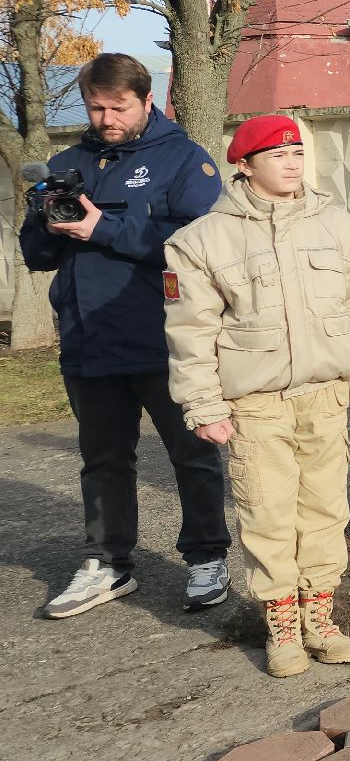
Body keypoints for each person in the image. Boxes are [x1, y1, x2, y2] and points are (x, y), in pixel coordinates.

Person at [164, 116, 350, 677]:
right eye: (276, 153)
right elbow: (190, 331)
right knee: (266, 511)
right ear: (245, 164)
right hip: (256, 404)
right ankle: (281, 623)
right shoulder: (200, 242)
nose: (291, 162)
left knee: (325, 510)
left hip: (325, 396)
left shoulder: (340, 228)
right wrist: (204, 404)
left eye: (296, 152)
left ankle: (321, 615)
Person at [21, 53, 232, 619]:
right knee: (103, 458)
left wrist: (101, 227)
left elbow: (199, 245)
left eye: (118, 107)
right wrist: (45, 219)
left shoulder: (184, 161)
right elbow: (35, 256)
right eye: (96, 107)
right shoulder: (67, 162)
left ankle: (207, 557)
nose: (106, 118)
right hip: (88, 338)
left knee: (193, 453)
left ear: (147, 102)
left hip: (167, 338)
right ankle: (106, 562)